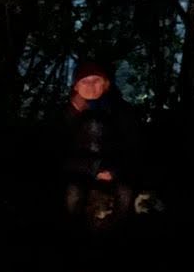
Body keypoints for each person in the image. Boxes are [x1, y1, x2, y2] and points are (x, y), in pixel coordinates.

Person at [60, 58, 142, 244]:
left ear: (106, 84)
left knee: (125, 196)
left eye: (96, 80)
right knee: (73, 196)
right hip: (79, 172)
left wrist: (114, 170)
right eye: (85, 82)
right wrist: (92, 169)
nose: (90, 86)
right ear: (75, 87)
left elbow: (133, 147)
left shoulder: (123, 111)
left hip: (116, 171)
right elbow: (58, 149)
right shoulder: (67, 114)